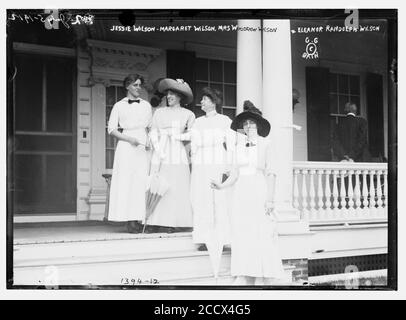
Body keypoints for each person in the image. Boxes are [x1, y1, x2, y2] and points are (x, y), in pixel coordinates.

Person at [211, 100, 285, 286]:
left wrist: (270, 200)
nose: (249, 126)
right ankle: (244, 273)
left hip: (259, 189)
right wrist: (221, 186)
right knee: (242, 232)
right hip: (241, 191)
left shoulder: (266, 144)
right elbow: (235, 174)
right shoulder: (238, 147)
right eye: (245, 124)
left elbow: (271, 173)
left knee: (260, 231)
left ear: (258, 125)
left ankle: (261, 274)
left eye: (252, 123)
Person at [146, 78, 195, 233]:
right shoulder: (159, 112)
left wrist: (179, 136)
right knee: (158, 182)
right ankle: (155, 221)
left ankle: (172, 221)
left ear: (180, 97)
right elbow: (153, 130)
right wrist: (159, 148)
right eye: (168, 94)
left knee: (176, 185)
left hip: (176, 150)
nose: (169, 97)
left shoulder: (188, 114)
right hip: (161, 149)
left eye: (173, 94)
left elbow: (193, 134)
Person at [189, 87, 234, 251]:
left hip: (217, 160)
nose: (201, 102)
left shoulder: (225, 120)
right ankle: (204, 238)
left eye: (205, 99)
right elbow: (193, 143)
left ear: (213, 102)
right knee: (202, 197)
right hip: (202, 161)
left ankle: (221, 238)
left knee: (218, 198)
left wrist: (228, 166)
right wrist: (195, 159)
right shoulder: (198, 122)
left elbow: (230, 144)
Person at [107, 74, 152, 233]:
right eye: (135, 85)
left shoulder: (146, 105)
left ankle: (138, 219)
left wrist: (149, 142)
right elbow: (111, 130)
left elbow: (150, 127)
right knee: (127, 181)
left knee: (140, 182)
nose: (138, 88)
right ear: (127, 86)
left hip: (142, 146)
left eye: (140, 85)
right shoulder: (119, 106)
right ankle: (128, 220)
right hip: (126, 146)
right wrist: (129, 139)